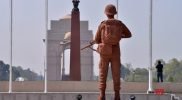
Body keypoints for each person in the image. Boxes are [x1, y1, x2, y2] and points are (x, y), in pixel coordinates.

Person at [93, 4, 132, 100]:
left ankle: (102, 95)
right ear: (114, 13)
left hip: (104, 52)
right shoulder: (119, 24)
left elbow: (97, 39)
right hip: (116, 51)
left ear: (106, 13)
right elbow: (129, 34)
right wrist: (120, 36)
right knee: (116, 73)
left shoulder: (103, 24)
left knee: (103, 73)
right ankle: (117, 95)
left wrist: (103, 40)